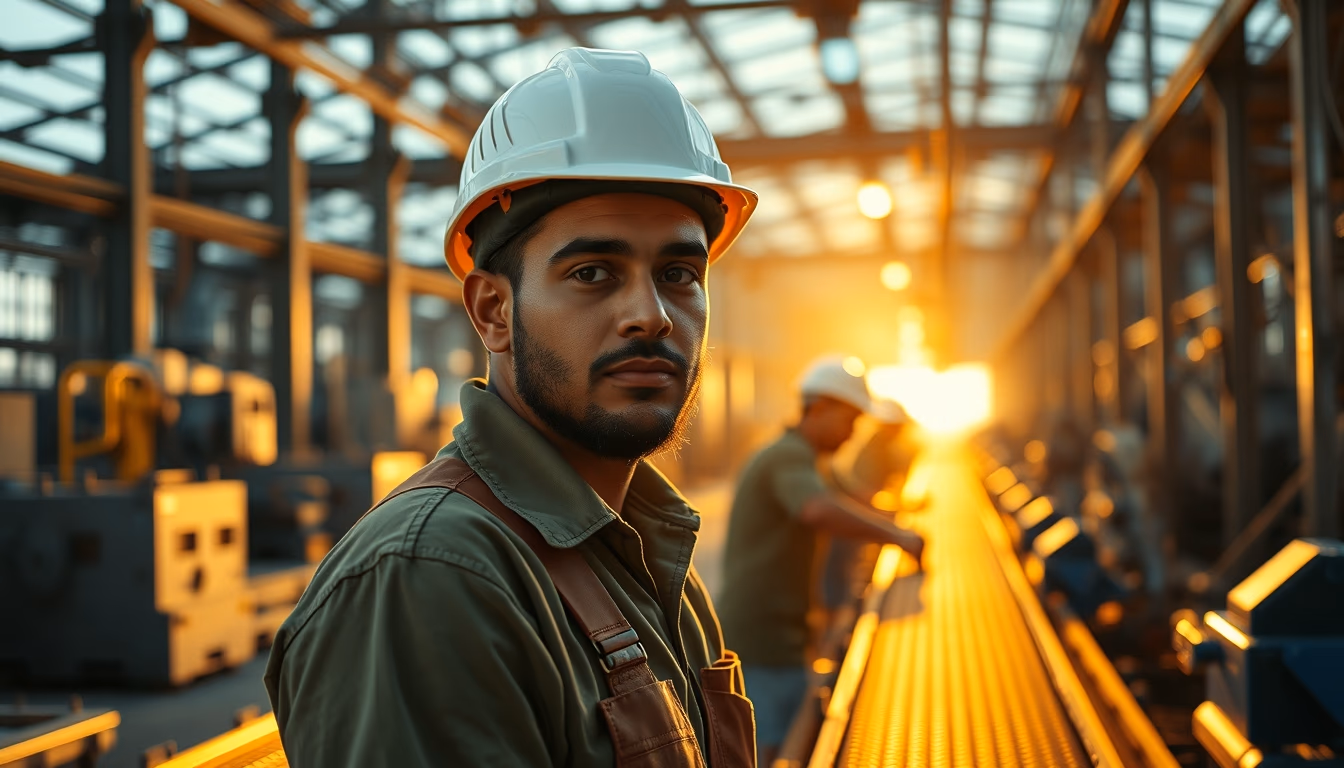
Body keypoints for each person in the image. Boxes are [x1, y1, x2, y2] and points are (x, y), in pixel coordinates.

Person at [265, 48, 760, 767]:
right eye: (593, 272)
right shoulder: (433, 578)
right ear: (493, 311)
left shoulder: (648, 551)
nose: (650, 315)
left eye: (679, 273)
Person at [717, 358, 925, 762]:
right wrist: (897, 537)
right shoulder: (788, 456)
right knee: (772, 748)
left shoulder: (812, 461)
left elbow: (854, 501)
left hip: (787, 632)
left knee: (791, 736)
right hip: (763, 639)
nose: (853, 433)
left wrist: (903, 515)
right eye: (850, 420)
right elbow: (818, 510)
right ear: (818, 409)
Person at [819, 398, 916, 611]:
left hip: (855, 520)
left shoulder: (880, 449)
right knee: (839, 580)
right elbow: (862, 498)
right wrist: (895, 529)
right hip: (847, 527)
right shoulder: (874, 453)